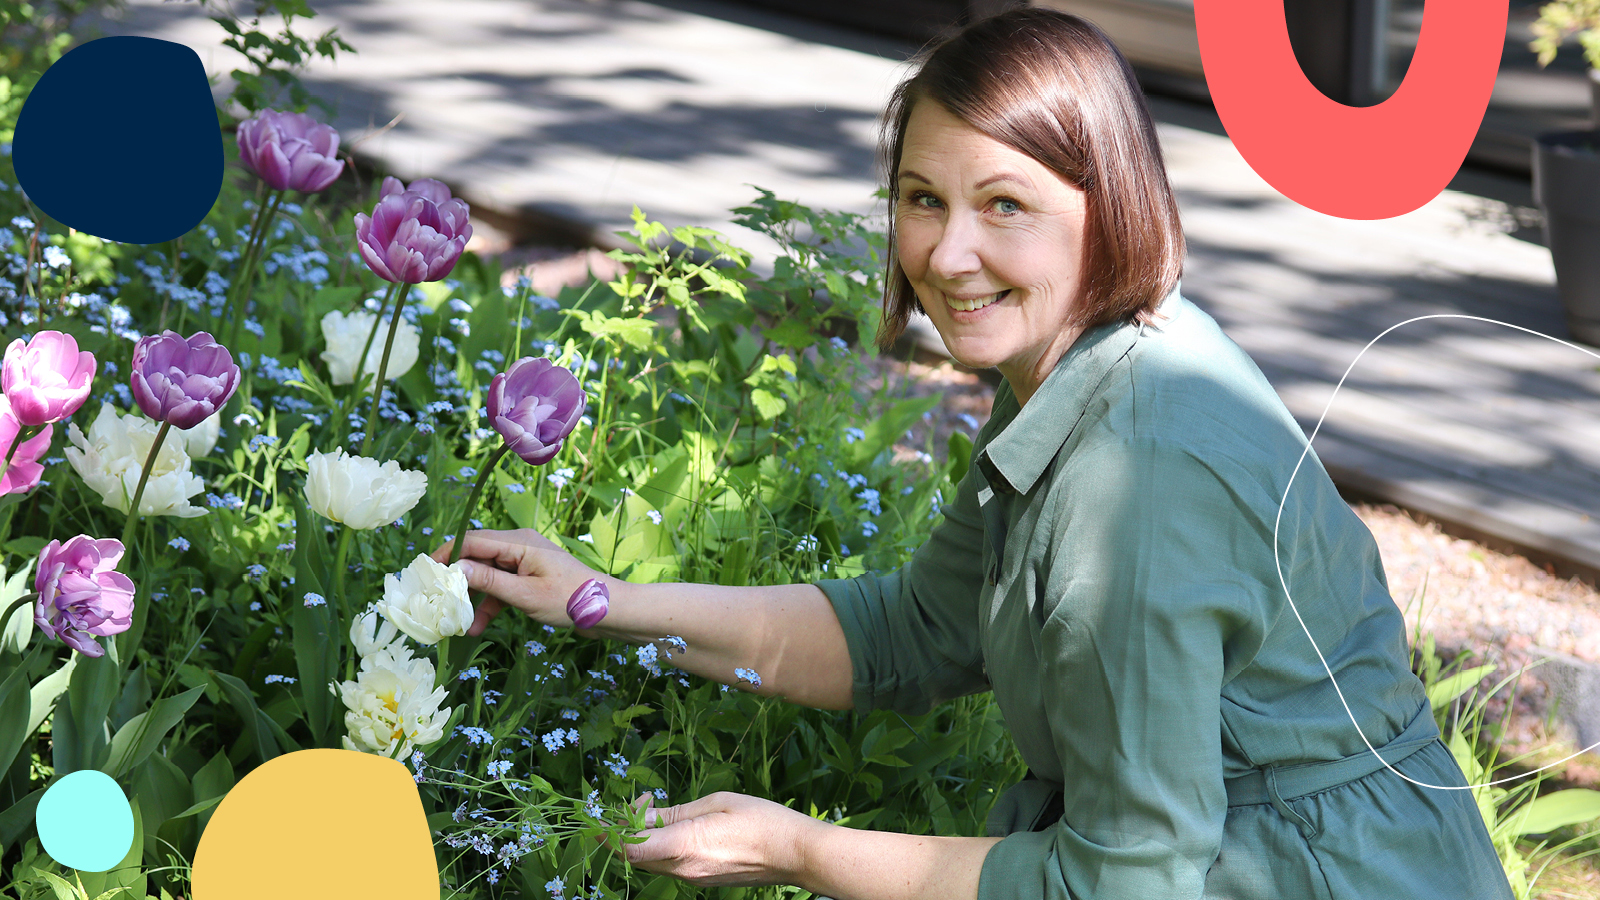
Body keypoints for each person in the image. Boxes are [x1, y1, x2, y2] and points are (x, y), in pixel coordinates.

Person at [435, 8, 1514, 899]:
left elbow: (1125, 884)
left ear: (1110, 210)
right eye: (921, 199)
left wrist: (798, 849)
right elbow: (914, 630)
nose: (948, 254)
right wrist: (599, 599)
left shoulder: (1136, 484)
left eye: (1006, 206)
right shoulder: (1084, 360)